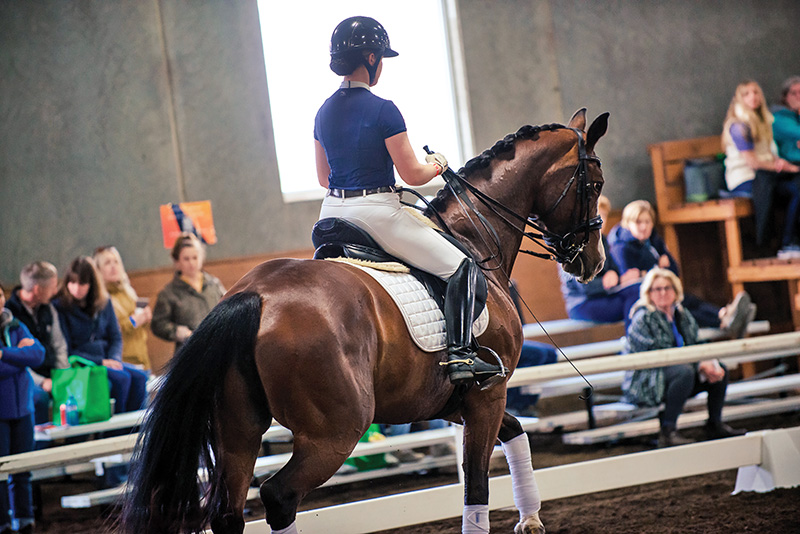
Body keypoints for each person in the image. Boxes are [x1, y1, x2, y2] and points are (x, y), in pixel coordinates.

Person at [314, 16, 502, 388]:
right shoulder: (383, 109)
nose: (381, 65)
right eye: (380, 58)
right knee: (462, 267)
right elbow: (414, 175)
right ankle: (461, 355)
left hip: (331, 214)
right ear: (370, 58)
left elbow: (323, 178)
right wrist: (439, 164)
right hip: (377, 214)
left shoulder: (323, 111)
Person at [623, 268, 745, 448]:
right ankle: (668, 431)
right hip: (648, 380)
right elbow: (660, 353)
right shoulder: (643, 318)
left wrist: (709, 362)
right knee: (684, 373)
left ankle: (715, 424)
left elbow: (696, 341)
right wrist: (699, 365)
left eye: (667, 288)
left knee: (720, 369)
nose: (663, 293)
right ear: (649, 293)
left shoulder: (681, 314)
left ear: (676, 290)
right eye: (657, 289)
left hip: (679, 373)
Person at [608, 199, 754, 336]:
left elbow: (673, 271)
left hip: (664, 289)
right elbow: (631, 280)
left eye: (647, 222)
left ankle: (725, 314)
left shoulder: (654, 242)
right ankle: (724, 321)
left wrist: (651, 271)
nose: (644, 227)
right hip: (648, 298)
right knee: (679, 308)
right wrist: (656, 268)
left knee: (688, 299)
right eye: (638, 222)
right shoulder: (621, 248)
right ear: (628, 223)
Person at [53, 256, 148, 414]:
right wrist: (102, 361)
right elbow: (67, 349)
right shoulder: (60, 306)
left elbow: (115, 337)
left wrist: (114, 358)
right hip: (82, 362)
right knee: (122, 379)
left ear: (92, 284)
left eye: (82, 283)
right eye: (72, 282)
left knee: (140, 377)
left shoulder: (104, 302)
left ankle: (136, 426)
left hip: (107, 359)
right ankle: (116, 428)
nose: (76, 288)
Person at [721, 79, 800, 257]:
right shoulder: (738, 126)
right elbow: (753, 163)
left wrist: (782, 163)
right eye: (747, 94)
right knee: (788, 188)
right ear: (739, 98)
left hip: (767, 175)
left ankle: (790, 241)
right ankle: (779, 243)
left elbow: (769, 154)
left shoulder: (764, 121)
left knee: (797, 186)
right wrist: (785, 168)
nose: (753, 97)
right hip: (746, 179)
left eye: (756, 92)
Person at [0, 286, 45, 534]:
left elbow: (38, 354)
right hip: (1, 414)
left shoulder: (15, 325)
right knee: (1, 472)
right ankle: (3, 524)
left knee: (22, 469)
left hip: (23, 410)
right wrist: (20, 357)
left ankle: (25, 519)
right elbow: (23, 361)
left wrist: (5, 354)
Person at [560, 195, 641, 330]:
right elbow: (584, 287)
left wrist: (615, 275)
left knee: (639, 290)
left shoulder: (602, 240)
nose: (601, 220)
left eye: (604, 215)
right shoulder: (573, 244)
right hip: (582, 303)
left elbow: (614, 269)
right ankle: (635, 337)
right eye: (597, 214)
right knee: (634, 300)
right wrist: (607, 281)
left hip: (604, 296)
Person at [5, 261, 70, 425]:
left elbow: (58, 345)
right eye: (52, 287)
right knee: (40, 398)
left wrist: (62, 375)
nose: (55, 292)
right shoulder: (11, 316)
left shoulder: (48, 309)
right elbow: (17, 359)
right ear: (37, 290)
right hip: (29, 377)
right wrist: (42, 381)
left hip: (52, 372)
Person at [151, 232, 225, 354]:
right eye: (186, 259)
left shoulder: (214, 284)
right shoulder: (169, 293)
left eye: (195, 258)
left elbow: (227, 308)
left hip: (219, 347)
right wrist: (178, 332)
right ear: (177, 262)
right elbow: (158, 324)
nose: (191, 263)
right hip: (190, 352)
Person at [93, 246, 152, 370]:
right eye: (107, 263)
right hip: (122, 361)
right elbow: (110, 332)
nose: (113, 266)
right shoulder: (100, 299)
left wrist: (145, 317)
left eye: (116, 261)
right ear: (98, 269)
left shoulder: (128, 291)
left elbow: (138, 325)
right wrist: (133, 322)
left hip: (142, 358)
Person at [771, 75, 800, 164]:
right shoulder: (778, 117)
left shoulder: (795, 116)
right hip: (791, 164)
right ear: (785, 97)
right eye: (794, 93)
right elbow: (797, 133)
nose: (798, 96)